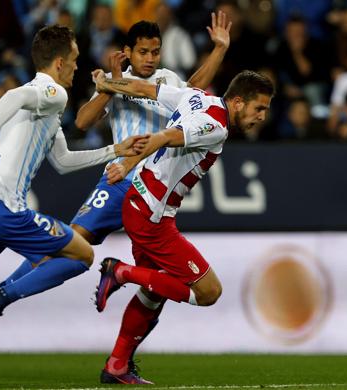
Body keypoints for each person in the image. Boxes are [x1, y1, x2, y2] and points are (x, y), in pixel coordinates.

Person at [0, 12, 231, 379]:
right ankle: (2, 294)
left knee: (154, 283)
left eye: (156, 51)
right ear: (128, 52)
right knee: (71, 242)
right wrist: (106, 87)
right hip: (117, 182)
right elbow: (82, 121)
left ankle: (119, 363)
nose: (150, 58)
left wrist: (219, 49)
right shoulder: (116, 82)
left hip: (153, 188)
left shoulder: (166, 80)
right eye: (143, 51)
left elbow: (194, 88)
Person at [0, 25, 147, 390]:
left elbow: (63, 162)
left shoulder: (46, 109)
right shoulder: (48, 92)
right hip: (1, 207)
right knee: (82, 255)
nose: (78, 68)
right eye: (76, 61)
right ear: (60, 62)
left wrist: (117, 149)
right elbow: (14, 96)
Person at [92, 69, 274, 384]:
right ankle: (120, 272)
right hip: (152, 217)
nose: (262, 116)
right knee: (208, 291)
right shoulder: (215, 127)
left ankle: (117, 366)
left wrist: (106, 83)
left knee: (153, 294)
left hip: (141, 204)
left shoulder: (196, 97)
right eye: (259, 108)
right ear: (239, 102)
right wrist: (128, 163)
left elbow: (142, 89)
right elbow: (166, 136)